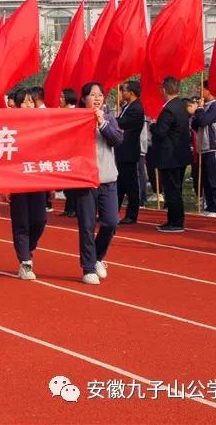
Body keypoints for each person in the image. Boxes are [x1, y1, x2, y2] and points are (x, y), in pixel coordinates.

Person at [73, 83, 123, 285]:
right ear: (84, 98)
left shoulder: (109, 118)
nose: (97, 98)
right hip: (85, 180)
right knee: (86, 225)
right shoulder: (75, 119)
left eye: (100, 95)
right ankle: (87, 268)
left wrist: (101, 122)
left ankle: (97, 257)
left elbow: (117, 140)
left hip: (108, 178)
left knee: (111, 222)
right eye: (92, 95)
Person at [7, 88, 47, 279]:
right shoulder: (9, 127)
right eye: (24, 101)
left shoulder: (43, 125)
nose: (29, 105)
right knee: (21, 221)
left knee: (40, 220)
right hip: (17, 181)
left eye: (32, 101)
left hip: (38, 179)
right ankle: (25, 261)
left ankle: (27, 249)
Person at [149, 77, 192, 232]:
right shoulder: (181, 106)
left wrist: (153, 125)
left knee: (172, 190)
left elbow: (161, 132)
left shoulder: (169, 109)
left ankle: (176, 222)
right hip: (180, 155)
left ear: (164, 90)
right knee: (176, 189)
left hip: (171, 156)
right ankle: (174, 220)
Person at [191, 82, 216, 217]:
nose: (200, 91)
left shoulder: (215, 106)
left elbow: (203, 121)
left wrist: (199, 109)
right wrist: (198, 110)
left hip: (214, 147)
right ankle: (210, 205)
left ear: (209, 91)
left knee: (215, 179)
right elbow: (195, 125)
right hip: (204, 147)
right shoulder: (204, 107)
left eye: (202, 89)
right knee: (206, 179)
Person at [115, 80, 144, 224]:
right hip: (122, 151)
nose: (121, 93)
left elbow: (119, 123)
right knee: (120, 184)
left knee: (130, 185)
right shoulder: (128, 106)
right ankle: (113, 212)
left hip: (129, 151)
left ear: (131, 93)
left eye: (123, 90)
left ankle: (132, 215)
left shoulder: (136, 109)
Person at [59, 88, 78, 217]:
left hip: (73, 152)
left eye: (62, 97)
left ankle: (73, 208)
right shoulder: (61, 112)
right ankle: (69, 207)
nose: (59, 99)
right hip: (64, 150)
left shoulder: (74, 113)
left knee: (72, 182)